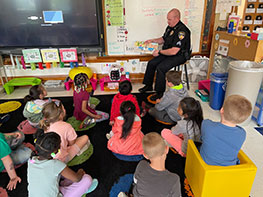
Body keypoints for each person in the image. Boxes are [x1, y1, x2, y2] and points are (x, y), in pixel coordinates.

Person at [139, 8, 191, 102]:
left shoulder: (182, 31)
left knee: (161, 67)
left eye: (169, 19)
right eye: (167, 19)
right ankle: (148, 86)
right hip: (168, 52)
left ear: (177, 19)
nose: (168, 21)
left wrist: (159, 52)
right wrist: (152, 40)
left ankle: (159, 93)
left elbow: (174, 51)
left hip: (179, 55)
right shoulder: (170, 27)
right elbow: (163, 39)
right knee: (151, 63)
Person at [28, 130, 98, 197]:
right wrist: (80, 171)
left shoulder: (31, 160)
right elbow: (77, 178)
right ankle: (82, 190)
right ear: (55, 151)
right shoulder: (55, 164)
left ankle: (64, 185)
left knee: (61, 177)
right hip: (57, 193)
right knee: (87, 179)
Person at [200, 95, 252, 166]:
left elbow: (202, 137)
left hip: (205, 166)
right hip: (228, 170)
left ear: (222, 110)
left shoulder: (207, 125)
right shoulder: (242, 133)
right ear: (242, 120)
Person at [132, 132, 181, 197]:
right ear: (167, 149)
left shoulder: (141, 165)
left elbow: (135, 181)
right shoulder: (174, 179)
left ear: (145, 156)